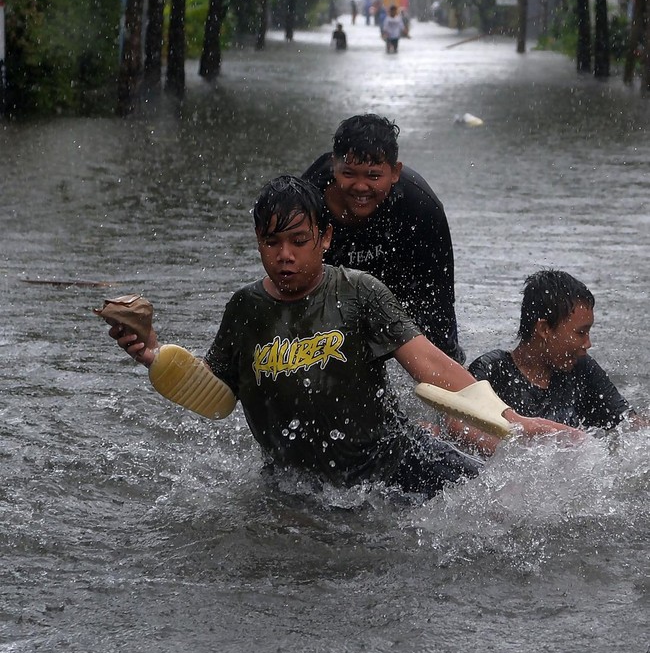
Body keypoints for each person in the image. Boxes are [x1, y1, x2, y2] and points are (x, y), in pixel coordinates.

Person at [106, 178, 581, 498]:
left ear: (325, 238)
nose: (285, 256)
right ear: (257, 243)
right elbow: (215, 391)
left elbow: (427, 363)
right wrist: (153, 355)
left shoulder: (359, 293)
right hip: (297, 483)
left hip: (393, 463)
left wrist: (507, 417)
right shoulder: (245, 309)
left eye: (298, 240)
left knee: (494, 508)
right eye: (272, 244)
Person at [302, 114, 464, 363]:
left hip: (399, 277)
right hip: (334, 280)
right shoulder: (307, 201)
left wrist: (448, 365)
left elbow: (438, 300)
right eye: (349, 173)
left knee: (440, 350)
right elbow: (290, 281)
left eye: (374, 176)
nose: (360, 187)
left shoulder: (421, 207)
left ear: (395, 172)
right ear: (334, 166)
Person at [449, 270, 648, 455]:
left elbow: (630, 427)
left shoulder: (583, 370)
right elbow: (458, 425)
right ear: (544, 329)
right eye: (581, 333)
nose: (588, 343)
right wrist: (525, 456)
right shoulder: (493, 370)